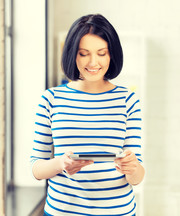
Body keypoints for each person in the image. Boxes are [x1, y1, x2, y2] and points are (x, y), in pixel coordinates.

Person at [30, 14, 145, 216]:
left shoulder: (128, 100)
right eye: (84, 53)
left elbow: (137, 177)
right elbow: (36, 168)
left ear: (112, 55)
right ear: (73, 54)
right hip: (62, 211)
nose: (93, 62)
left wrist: (132, 168)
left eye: (102, 53)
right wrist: (60, 163)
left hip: (117, 211)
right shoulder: (51, 99)